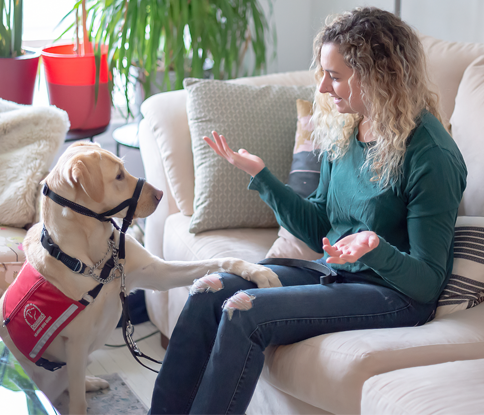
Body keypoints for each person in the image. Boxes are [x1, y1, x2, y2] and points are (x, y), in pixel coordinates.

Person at [147, 7, 467, 415]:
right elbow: (319, 225)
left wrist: (375, 249)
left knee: (243, 310)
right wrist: (263, 177)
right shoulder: (349, 127)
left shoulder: (432, 156)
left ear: (377, 76)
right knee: (210, 288)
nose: (322, 87)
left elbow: (426, 282)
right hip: (334, 270)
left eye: (334, 76)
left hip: (394, 293)